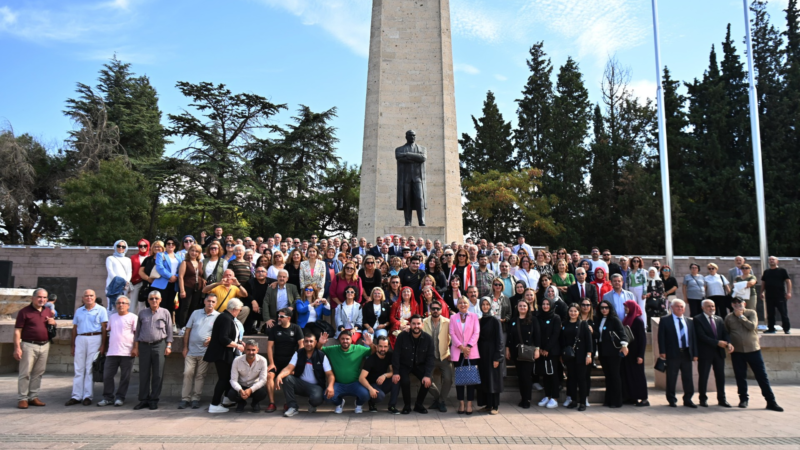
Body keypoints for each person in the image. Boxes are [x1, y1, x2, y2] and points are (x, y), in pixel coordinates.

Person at [725, 297, 783, 411]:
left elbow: (752, 326)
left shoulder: (751, 313)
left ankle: (771, 401)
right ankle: (743, 399)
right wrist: (728, 343)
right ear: (732, 305)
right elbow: (726, 333)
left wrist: (741, 316)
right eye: (735, 303)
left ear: (744, 303)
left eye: (739, 303)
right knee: (740, 376)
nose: (737, 305)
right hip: (737, 352)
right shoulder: (728, 317)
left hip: (753, 350)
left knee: (762, 376)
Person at [14, 288, 55, 409]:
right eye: (39, 297)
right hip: (28, 345)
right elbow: (17, 331)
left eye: (44, 297)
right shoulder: (24, 312)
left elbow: (51, 325)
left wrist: (53, 322)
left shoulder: (47, 311)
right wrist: (17, 348)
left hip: (44, 345)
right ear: (33, 298)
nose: (42, 300)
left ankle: (33, 396)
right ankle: (22, 398)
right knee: (25, 373)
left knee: (38, 373)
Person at [66, 289, 108, 406]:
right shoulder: (79, 311)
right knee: (79, 368)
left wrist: (103, 345)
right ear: (83, 298)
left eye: (91, 295)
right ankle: (76, 396)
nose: (89, 298)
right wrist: (73, 345)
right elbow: (75, 328)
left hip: (95, 338)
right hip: (81, 338)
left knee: (89, 368)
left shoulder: (101, 310)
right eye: (86, 296)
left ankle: (87, 396)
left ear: (95, 297)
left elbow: (104, 328)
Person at [133, 291, 174, 410]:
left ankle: (154, 399)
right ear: (148, 300)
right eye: (151, 298)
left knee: (158, 374)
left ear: (160, 300)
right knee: (144, 374)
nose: (154, 300)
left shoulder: (165, 312)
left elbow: (169, 330)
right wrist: (136, 347)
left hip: (159, 345)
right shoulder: (142, 313)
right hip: (144, 346)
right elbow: (138, 331)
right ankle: (143, 399)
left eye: (156, 298)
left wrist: (169, 346)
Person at [277, 333, 335, 416]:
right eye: (306, 341)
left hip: (316, 387)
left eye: (311, 341)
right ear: (303, 342)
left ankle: (312, 404)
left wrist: (330, 386)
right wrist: (280, 375)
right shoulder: (298, 353)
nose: (308, 343)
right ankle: (292, 407)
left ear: (315, 342)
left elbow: (330, 374)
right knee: (287, 378)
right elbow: (289, 368)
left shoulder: (321, 356)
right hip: (300, 384)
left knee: (317, 399)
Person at [179, 294, 220, 409]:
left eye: (213, 301)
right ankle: (185, 399)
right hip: (191, 351)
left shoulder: (218, 316)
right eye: (208, 301)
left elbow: (219, 334)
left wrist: (212, 339)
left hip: (205, 352)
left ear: (216, 303)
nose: (210, 303)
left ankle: (195, 398)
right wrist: (185, 348)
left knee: (200, 375)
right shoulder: (195, 313)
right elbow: (187, 331)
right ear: (204, 302)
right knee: (187, 373)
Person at [318, 330, 374, 413]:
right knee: (327, 396)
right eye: (342, 339)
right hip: (338, 384)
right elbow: (319, 349)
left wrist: (371, 344)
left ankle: (358, 404)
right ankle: (340, 403)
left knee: (366, 395)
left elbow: (373, 352)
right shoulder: (333, 350)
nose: (345, 341)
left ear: (351, 340)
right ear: (339, 340)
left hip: (355, 383)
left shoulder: (358, 348)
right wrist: (320, 343)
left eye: (347, 339)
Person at [205, 298, 244, 414]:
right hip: (222, 354)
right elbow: (224, 339)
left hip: (225, 353)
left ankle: (227, 399)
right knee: (223, 379)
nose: (239, 313)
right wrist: (238, 346)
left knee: (227, 378)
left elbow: (230, 335)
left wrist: (240, 342)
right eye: (239, 310)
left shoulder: (227, 318)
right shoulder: (226, 319)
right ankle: (214, 404)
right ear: (235, 309)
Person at [390, 314, 435, 414]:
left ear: (422, 325)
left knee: (427, 381)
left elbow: (430, 358)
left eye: (418, 324)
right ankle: (407, 406)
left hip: (420, 365)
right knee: (405, 381)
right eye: (413, 324)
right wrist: (396, 372)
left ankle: (419, 405)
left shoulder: (428, 339)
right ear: (410, 325)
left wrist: (427, 375)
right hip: (405, 365)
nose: (416, 326)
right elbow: (396, 355)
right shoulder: (402, 336)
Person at [658, 299, 699, 408]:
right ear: (672, 307)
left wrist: (695, 353)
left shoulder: (689, 321)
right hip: (672, 353)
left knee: (688, 378)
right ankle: (671, 399)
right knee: (671, 377)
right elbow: (661, 337)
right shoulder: (665, 320)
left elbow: (693, 338)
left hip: (686, 353)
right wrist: (662, 351)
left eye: (682, 307)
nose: (680, 308)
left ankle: (688, 399)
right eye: (677, 306)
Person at [98, 296, 137, 407]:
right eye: (118, 303)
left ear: (128, 305)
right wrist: (103, 347)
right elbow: (107, 332)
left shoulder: (133, 317)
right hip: (112, 352)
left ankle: (120, 397)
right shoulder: (112, 317)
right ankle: (108, 397)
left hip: (127, 352)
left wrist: (135, 348)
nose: (120, 305)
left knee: (125, 377)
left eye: (123, 303)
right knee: (107, 376)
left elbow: (137, 334)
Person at [694, 299, 732, 408]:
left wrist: (728, 343)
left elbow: (725, 333)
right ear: (703, 308)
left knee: (720, 377)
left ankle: (722, 399)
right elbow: (701, 336)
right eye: (708, 306)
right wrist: (717, 343)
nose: (711, 308)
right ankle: (703, 399)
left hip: (719, 353)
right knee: (704, 376)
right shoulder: (698, 319)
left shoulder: (719, 319)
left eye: (713, 306)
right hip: (705, 353)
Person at [265, 307, 304, 412]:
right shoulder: (274, 329)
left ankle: (288, 403)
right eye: (278, 316)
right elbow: (269, 347)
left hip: (290, 362)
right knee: (269, 375)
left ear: (289, 318)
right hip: (277, 361)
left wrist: (296, 363)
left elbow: (301, 345)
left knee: (288, 379)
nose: (279, 318)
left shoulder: (296, 328)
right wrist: (271, 363)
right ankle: (272, 403)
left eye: (282, 317)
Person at [449, 297, 481, 415]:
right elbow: (452, 333)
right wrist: (461, 347)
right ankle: (461, 403)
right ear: (457, 305)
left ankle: (469, 404)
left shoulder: (474, 316)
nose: (463, 304)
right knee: (460, 379)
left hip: (471, 352)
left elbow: (476, 332)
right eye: (460, 303)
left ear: (469, 305)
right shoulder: (453, 318)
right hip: (458, 352)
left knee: (471, 379)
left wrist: (468, 346)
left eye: (465, 303)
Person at [506, 300, 540, 409]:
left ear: (528, 307)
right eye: (520, 306)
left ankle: (527, 399)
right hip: (516, 352)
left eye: (524, 306)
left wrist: (537, 349)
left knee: (526, 377)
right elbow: (509, 337)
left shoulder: (533, 320)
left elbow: (537, 335)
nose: (522, 307)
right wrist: (507, 349)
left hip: (528, 352)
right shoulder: (513, 321)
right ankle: (523, 398)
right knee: (520, 377)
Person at [594, 299, 628, 408]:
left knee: (615, 376)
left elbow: (622, 334)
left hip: (614, 352)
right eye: (602, 308)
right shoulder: (598, 319)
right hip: (603, 351)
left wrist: (624, 346)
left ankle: (616, 401)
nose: (604, 310)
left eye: (606, 307)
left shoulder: (614, 319)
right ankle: (608, 400)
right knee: (608, 376)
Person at [419, 300, 451, 413]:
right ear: (430, 310)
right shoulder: (423, 322)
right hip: (429, 358)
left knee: (448, 379)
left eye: (438, 308)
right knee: (426, 379)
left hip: (444, 356)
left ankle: (440, 401)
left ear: (441, 310)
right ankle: (440, 400)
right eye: (433, 309)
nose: (435, 310)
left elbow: (453, 338)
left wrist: (451, 353)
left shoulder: (448, 322)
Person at [560, 303, 593, 411]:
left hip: (581, 356)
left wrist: (589, 355)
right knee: (571, 379)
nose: (573, 313)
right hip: (569, 356)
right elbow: (562, 340)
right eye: (571, 311)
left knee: (581, 379)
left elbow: (589, 341)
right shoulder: (564, 324)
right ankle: (573, 400)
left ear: (578, 312)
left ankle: (582, 402)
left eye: (575, 311)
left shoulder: (583, 324)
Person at [477, 298, 504, 414]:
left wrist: (497, 357)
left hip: (492, 352)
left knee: (493, 379)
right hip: (482, 354)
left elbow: (500, 340)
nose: (485, 306)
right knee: (485, 379)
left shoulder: (495, 320)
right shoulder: (479, 320)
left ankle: (495, 406)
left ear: (491, 306)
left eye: (487, 304)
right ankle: (488, 404)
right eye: (483, 304)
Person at [227, 339, 268, 413]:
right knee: (230, 394)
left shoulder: (263, 360)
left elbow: (263, 380)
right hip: (241, 386)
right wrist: (240, 390)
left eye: (253, 350)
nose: (251, 352)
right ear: (244, 350)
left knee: (263, 393)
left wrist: (250, 390)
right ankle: (241, 402)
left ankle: (255, 403)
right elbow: (233, 380)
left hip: (254, 387)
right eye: (248, 350)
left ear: (257, 350)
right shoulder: (237, 360)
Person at [620, 300, 649, 407]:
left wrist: (640, 355)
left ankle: (644, 398)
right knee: (628, 375)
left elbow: (642, 339)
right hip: (628, 353)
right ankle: (631, 397)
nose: (625, 309)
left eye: (627, 307)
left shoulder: (638, 320)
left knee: (638, 376)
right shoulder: (627, 319)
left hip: (636, 353)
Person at [150, 237, 184, 322]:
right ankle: (157, 322)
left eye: (173, 244)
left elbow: (181, 269)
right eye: (168, 243)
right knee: (161, 304)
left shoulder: (179, 257)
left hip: (174, 284)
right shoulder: (160, 255)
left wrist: (175, 277)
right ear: (165, 245)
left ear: (175, 246)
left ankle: (167, 324)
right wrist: (170, 276)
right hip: (162, 283)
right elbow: (160, 268)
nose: (170, 245)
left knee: (170, 305)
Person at [535, 298, 561, 409]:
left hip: (552, 351)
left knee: (553, 374)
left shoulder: (556, 318)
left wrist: (547, 349)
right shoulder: (538, 317)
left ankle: (554, 398)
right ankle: (547, 395)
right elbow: (537, 333)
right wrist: (540, 348)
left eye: (547, 304)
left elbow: (556, 334)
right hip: (541, 351)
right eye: (544, 304)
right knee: (545, 374)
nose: (545, 306)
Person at [358, 335, 396, 412]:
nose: (383, 349)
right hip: (372, 384)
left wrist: (384, 375)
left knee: (396, 379)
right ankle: (372, 402)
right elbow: (361, 378)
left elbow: (392, 372)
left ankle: (392, 406)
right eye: (380, 346)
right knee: (380, 396)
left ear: (388, 347)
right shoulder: (371, 360)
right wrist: (371, 389)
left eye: (385, 347)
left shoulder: (389, 355)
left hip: (383, 382)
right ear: (377, 346)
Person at [761, 256, 792, 334]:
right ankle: (771, 329)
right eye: (770, 260)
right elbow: (763, 283)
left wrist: (789, 292)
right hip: (769, 296)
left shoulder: (782, 271)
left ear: (777, 261)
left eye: (773, 259)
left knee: (783, 313)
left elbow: (788, 281)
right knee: (770, 313)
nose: (771, 261)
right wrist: (761, 292)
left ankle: (786, 329)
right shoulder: (766, 272)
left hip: (780, 295)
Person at [177, 244, 204, 331]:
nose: (194, 253)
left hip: (198, 288)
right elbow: (180, 277)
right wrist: (182, 290)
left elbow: (200, 275)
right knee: (185, 306)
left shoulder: (200, 263)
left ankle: (191, 325)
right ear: (189, 252)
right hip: (187, 287)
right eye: (192, 250)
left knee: (194, 307)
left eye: (196, 251)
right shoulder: (185, 262)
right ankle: (182, 326)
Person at [105, 240, 132, 313]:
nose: (121, 248)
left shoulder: (128, 260)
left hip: (123, 286)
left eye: (123, 247)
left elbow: (129, 272)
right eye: (119, 246)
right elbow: (110, 271)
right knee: (111, 305)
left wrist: (126, 281)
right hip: (112, 285)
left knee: (122, 304)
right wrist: (118, 281)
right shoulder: (110, 258)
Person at [243, 266, 270, 334]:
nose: (260, 273)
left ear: (266, 274)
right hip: (253, 308)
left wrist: (275, 283)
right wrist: (253, 301)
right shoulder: (250, 282)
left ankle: (263, 327)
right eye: (258, 271)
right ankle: (251, 327)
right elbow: (246, 294)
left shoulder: (271, 282)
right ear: (255, 274)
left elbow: (280, 282)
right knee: (247, 331)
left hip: (267, 308)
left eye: (262, 271)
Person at [129, 239, 151, 314]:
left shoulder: (150, 257)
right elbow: (130, 270)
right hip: (135, 282)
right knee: (133, 303)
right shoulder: (133, 258)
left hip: (146, 283)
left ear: (148, 246)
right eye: (140, 246)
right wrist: (129, 282)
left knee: (143, 304)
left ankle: (142, 322)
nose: (142, 247)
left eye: (145, 246)